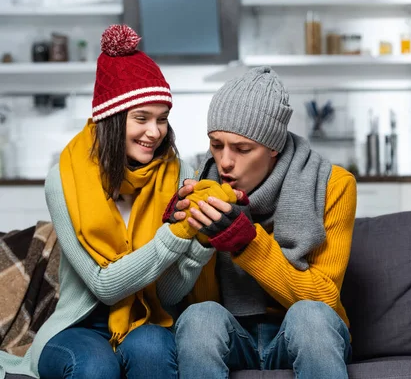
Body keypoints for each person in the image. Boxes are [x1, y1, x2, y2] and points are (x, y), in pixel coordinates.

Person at [0, 24, 218, 379]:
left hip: (148, 315)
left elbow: (170, 294)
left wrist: (202, 242)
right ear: (112, 120)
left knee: (155, 350)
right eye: (142, 118)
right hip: (79, 323)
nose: (155, 132)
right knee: (95, 365)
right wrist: (177, 235)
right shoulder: (65, 179)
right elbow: (103, 286)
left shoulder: (180, 174)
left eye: (162, 119)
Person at [164, 66, 357, 378]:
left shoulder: (332, 184)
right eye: (216, 144)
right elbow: (183, 299)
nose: (224, 161)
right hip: (230, 334)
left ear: (273, 148)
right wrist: (188, 236)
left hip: (305, 331)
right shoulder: (198, 187)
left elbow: (324, 300)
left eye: (242, 148)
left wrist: (245, 243)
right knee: (199, 317)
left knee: (309, 317)